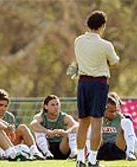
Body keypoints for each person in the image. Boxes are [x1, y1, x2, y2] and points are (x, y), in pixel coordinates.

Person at [74, 10, 120, 167]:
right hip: (99, 84)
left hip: (82, 83)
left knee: (83, 122)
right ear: (103, 26)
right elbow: (114, 63)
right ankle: (92, 160)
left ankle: (80, 159)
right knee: (96, 123)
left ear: (88, 24)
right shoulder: (106, 45)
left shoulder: (78, 41)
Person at [0, 89, 45, 160]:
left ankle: (35, 152)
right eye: (0, 105)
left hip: (8, 143)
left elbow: (12, 136)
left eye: (6, 106)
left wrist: (10, 133)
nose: (3, 108)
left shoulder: (10, 116)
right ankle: (11, 153)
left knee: (22, 127)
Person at [30, 95, 78, 160]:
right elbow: (33, 124)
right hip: (47, 146)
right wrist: (48, 131)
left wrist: (66, 132)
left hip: (62, 148)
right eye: (53, 105)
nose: (56, 107)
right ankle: (46, 153)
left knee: (72, 132)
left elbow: (77, 125)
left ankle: (74, 153)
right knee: (38, 131)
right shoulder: (41, 116)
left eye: (57, 104)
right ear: (46, 107)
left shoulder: (64, 117)